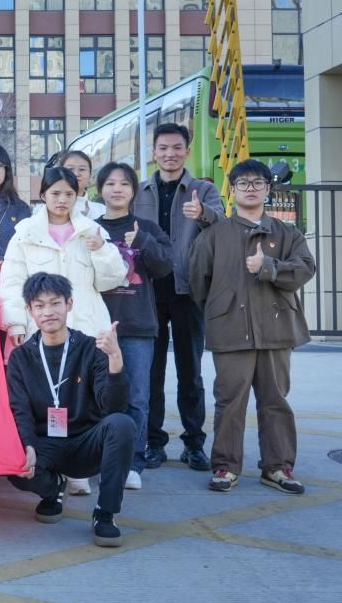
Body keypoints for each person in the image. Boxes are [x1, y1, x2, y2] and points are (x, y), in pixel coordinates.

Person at [0, 166, 127, 497]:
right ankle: (52, 467)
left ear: (77, 195)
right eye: (55, 193)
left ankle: (79, 467)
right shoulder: (25, 232)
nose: (62, 200)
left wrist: (101, 249)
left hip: (85, 328)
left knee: (85, 396)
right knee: (45, 396)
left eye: (69, 194)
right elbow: (11, 282)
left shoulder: (91, 230)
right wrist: (16, 322)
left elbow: (112, 280)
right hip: (42, 332)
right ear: (42, 195)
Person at [189, 160, 316, 495]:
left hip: (277, 329)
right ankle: (225, 466)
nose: (250, 188)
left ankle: (278, 467)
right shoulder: (213, 235)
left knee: (275, 400)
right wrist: (222, 309)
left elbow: (305, 269)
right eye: (242, 183)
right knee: (229, 401)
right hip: (230, 330)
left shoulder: (287, 233)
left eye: (257, 182)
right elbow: (198, 282)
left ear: (267, 189)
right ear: (232, 190)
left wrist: (268, 267)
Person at [6, 272, 135, 548]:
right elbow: (20, 408)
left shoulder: (91, 349)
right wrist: (26, 445)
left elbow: (113, 407)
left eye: (55, 303)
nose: (48, 312)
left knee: (122, 424)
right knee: (10, 455)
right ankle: (53, 489)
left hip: (85, 442)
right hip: (45, 446)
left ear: (69, 304)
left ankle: (105, 513)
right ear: (29, 310)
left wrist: (115, 358)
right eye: (40, 305)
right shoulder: (21, 357)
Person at [132, 123, 225, 472]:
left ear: (187, 151)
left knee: (191, 373)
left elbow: (224, 227)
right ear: (153, 153)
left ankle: (194, 444)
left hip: (189, 293)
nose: (169, 154)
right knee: (150, 373)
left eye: (176, 147)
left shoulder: (204, 190)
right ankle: (153, 442)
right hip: (147, 294)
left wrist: (204, 215)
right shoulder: (139, 191)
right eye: (163, 148)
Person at [95, 162, 173, 490]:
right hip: (98, 326)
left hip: (139, 326)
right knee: (98, 397)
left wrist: (143, 240)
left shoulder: (148, 227)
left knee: (138, 398)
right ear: (100, 189)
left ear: (133, 190)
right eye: (110, 183)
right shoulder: (91, 228)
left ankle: (132, 463)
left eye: (124, 183)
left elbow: (165, 267)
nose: (117, 189)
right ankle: (100, 459)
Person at [57, 151, 105, 219]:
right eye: (70, 169)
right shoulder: (50, 208)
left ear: (90, 175)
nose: (76, 174)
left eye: (82, 169)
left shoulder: (101, 210)